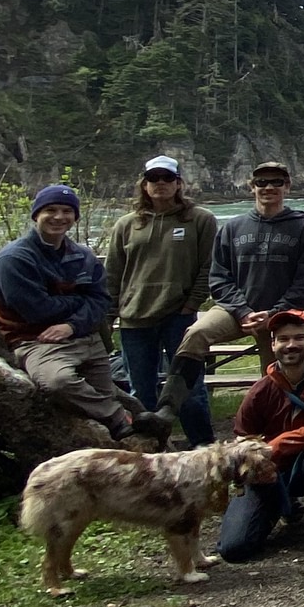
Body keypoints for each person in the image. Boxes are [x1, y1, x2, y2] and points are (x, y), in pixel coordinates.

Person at [0, 185, 167, 443]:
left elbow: (102, 300)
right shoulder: (14, 260)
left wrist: (72, 325)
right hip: (38, 342)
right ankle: (118, 417)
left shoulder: (82, 256)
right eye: (50, 210)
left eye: (67, 211)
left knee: (110, 405)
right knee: (58, 383)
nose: (59, 217)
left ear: (75, 217)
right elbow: (36, 311)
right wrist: (80, 300)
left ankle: (138, 442)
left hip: (84, 338)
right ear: (36, 214)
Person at [167, 160, 304, 430]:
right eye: (261, 182)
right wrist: (243, 311)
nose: (269, 187)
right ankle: (169, 406)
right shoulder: (232, 227)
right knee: (196, 333)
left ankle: (278, 434)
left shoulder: (303, 229)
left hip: (280, 316)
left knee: (279, 376)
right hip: (235, 311)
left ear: (287, 187)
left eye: (276, 182)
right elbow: (219, 277)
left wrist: (272, 314)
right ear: (252, 187)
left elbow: (303, 283)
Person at [217, 309, 304, 560]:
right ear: (273, 344)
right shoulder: (261, 390)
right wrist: (259, 467)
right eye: (283, 339)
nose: (291, 345)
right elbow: (241, 438)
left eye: (299, 338)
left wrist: (280, 444)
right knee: (234, 549)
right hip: (268, 472)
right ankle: (285, 508)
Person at [104, 155, 219, 445]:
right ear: (144, 185)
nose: (160, 184)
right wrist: (109, 313)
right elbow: (113, 272)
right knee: (141, 392)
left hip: (178, 316)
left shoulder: (200, 220)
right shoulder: (126, 224)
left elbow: (209, 265)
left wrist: (192, 303)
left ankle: (203, 449)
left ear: (179, 183)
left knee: (189, 390)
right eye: (153, 179)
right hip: (134, 319)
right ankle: (151, 453)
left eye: (167, 178)